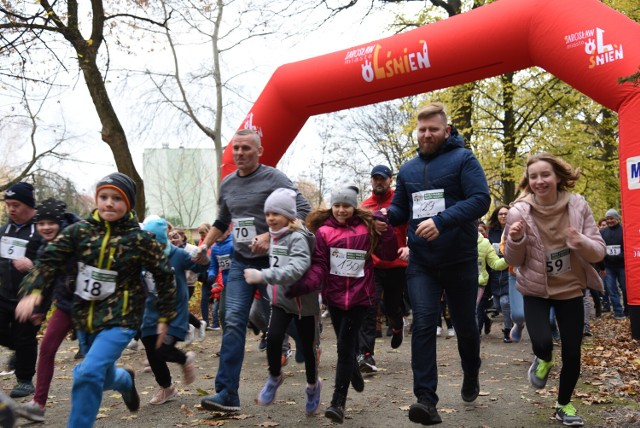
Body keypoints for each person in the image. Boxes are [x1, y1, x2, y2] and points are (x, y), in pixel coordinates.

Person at [15, 172, 177, 427]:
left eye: (117, 198)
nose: (109, 203)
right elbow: (49, 260)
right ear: (96, 199)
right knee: (100, 372)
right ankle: (123, 379)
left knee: (87, 373)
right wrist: (33, 291)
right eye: (104, 197)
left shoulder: (139, 240)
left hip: (121, 320)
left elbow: (165, 276)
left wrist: (165, 316)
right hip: (85, 319)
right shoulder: (79, 232)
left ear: (129, 205)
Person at [384, 102, 490, 425]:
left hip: (459, 258)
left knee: (465, 326)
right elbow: (401, 211)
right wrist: (382, 218)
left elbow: (480, 200)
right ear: (417, 132)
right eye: (422, 129)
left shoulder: (464, 159)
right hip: (423, 263)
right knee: (424, 323)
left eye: (433, 129)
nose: (427, 134)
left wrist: (442, 221)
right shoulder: (408, 170)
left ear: (446, 130)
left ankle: (471, 371)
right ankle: (426, 400)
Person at [197, 129, 311, 412]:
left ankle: (309, 343)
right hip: (241, 262)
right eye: (236, 148)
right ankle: (227, 394)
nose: (239, 153)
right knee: (233, 321)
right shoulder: (228, 184)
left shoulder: (275, 179)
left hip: (274, 262)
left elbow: (304, 209)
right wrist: (205, 245)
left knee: (285, 316)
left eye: (246, 148)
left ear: (259, 151)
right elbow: (223, 220)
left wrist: (273, 236)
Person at [503, 153, 605, 427]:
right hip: (535, 288)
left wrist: (580, 241)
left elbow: (598, 251)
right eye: (533, 176)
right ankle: (543, 359)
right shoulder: (518, 211)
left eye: (545, 175)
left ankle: (564, 405)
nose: (539, 181)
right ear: (528, 181)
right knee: (543, 343)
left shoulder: (578, 205)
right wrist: (515, 238)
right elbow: (512, 260)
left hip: (571, 288)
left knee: (572, 352)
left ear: (558, 177)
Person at [286, 185, 398, 423]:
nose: (341, 210)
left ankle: (338, 402)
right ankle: (354, 369)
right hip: (335, 298)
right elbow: (319, 267)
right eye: (336, 205)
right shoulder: (324, 233)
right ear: (331, 207)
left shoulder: (367, 228)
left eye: (346, 205)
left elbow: (388, 255)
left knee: (344, 346)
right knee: (344, 344)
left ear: (354, 207)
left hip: (361, 297)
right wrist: (303, 286)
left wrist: (386, 230)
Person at [242, 188, 321, 414]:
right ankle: (275, 377)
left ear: (288, 215)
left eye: (275, 214)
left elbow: (297, 268)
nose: (270, 218)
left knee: (308, 349)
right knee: (274, 339)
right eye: (267, 214)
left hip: (303, 304)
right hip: (281, 301)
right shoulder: (275, 235)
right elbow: (278, 264)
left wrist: (263, 275)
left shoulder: (298, 237)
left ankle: (313, 386)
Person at [18, 199, 81, 422]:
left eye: (50, 223)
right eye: (41, 223)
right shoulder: (45, 247)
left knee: (96, 363)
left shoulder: (78, 238)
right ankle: (38, 404)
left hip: (92, 308)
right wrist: (39, 310)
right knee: (47, 348)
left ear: (60, 222)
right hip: (65, 305)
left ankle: (122, 379)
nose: (45, 227)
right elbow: (46, 280)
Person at [140, 217, 208, 405]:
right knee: (150, 348)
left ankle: (184, 359)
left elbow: (200, 267)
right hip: (150, 311)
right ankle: (166, 387)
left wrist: (204, 258)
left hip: (175, 311)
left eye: (157, 244)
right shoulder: (143, 256)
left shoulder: (178, 255)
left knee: (162, 349)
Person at [358, 165, 409, 373]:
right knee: (370, 308)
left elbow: (412, 226)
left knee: (391, 306)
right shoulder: (365, 205)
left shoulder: (399, 201)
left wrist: (409, 246)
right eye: (375, 179)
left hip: (397, 262)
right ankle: (367, 355)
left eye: (383, 179)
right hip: (373, 264)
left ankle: (397, 325)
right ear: (371, 181)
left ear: (390, 180)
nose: (379, 182)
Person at [0, 182, 41, 398]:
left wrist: (32, 265)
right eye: (8, 205)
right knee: (13, 338)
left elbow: (52, 263)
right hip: (4, 294)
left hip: (30, 297)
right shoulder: (4, 230)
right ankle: (18, 349)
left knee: (25, 338)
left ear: (29, 205)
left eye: (16, 204)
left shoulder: (40, 230)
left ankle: (24, 380)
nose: (11, 209)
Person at [168, 229, 207, 342]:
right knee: (177, 308)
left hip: (189, 283)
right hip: (176, 283)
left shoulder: (191, 249)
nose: (173, 240)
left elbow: (198, 266)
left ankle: (192, 326)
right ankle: (194, 326)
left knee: (179, 308)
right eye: (170, 238)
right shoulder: (170, 250)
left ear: (183, 238)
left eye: (176, 237)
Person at [487, 206, 513, 342]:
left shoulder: (515, 229)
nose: (503, 216)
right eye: (500, 214)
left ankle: (507, 330)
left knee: (505, 302)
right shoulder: (492, 232)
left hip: (511, 271)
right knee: (497, 305)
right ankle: (512, 321)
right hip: (495, 272)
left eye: (506, 214)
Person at [476, 230, 508, 339]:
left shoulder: (484, 243)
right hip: (461, 283)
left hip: (479, 283)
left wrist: (509, 258)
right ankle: (486, 320)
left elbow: (495, 263)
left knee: (476, 310)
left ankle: (476, 334)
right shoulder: (457, 242)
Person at [598, 209, 627, 319]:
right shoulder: (602, 232)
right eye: (608, 218)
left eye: (612, 218)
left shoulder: (624, 231)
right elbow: (600, 248)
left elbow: (627, 248)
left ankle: (627, 310)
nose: (609, 220)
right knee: (611, 289)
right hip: (608, 266)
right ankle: (618, 312)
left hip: (622, 265)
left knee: (625, 289)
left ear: (617, 218)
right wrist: (603, 263)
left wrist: (618, 257)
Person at [206, 226, 233, 331]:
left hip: (239, 281)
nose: (220, 234)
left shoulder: (233, 244)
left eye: (222, 232)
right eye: (218, 232)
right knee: (222, 312)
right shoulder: (214, 248)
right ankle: (227, 334)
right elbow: (213, 266)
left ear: (228, 231)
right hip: (226, 284)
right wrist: (211, 276)